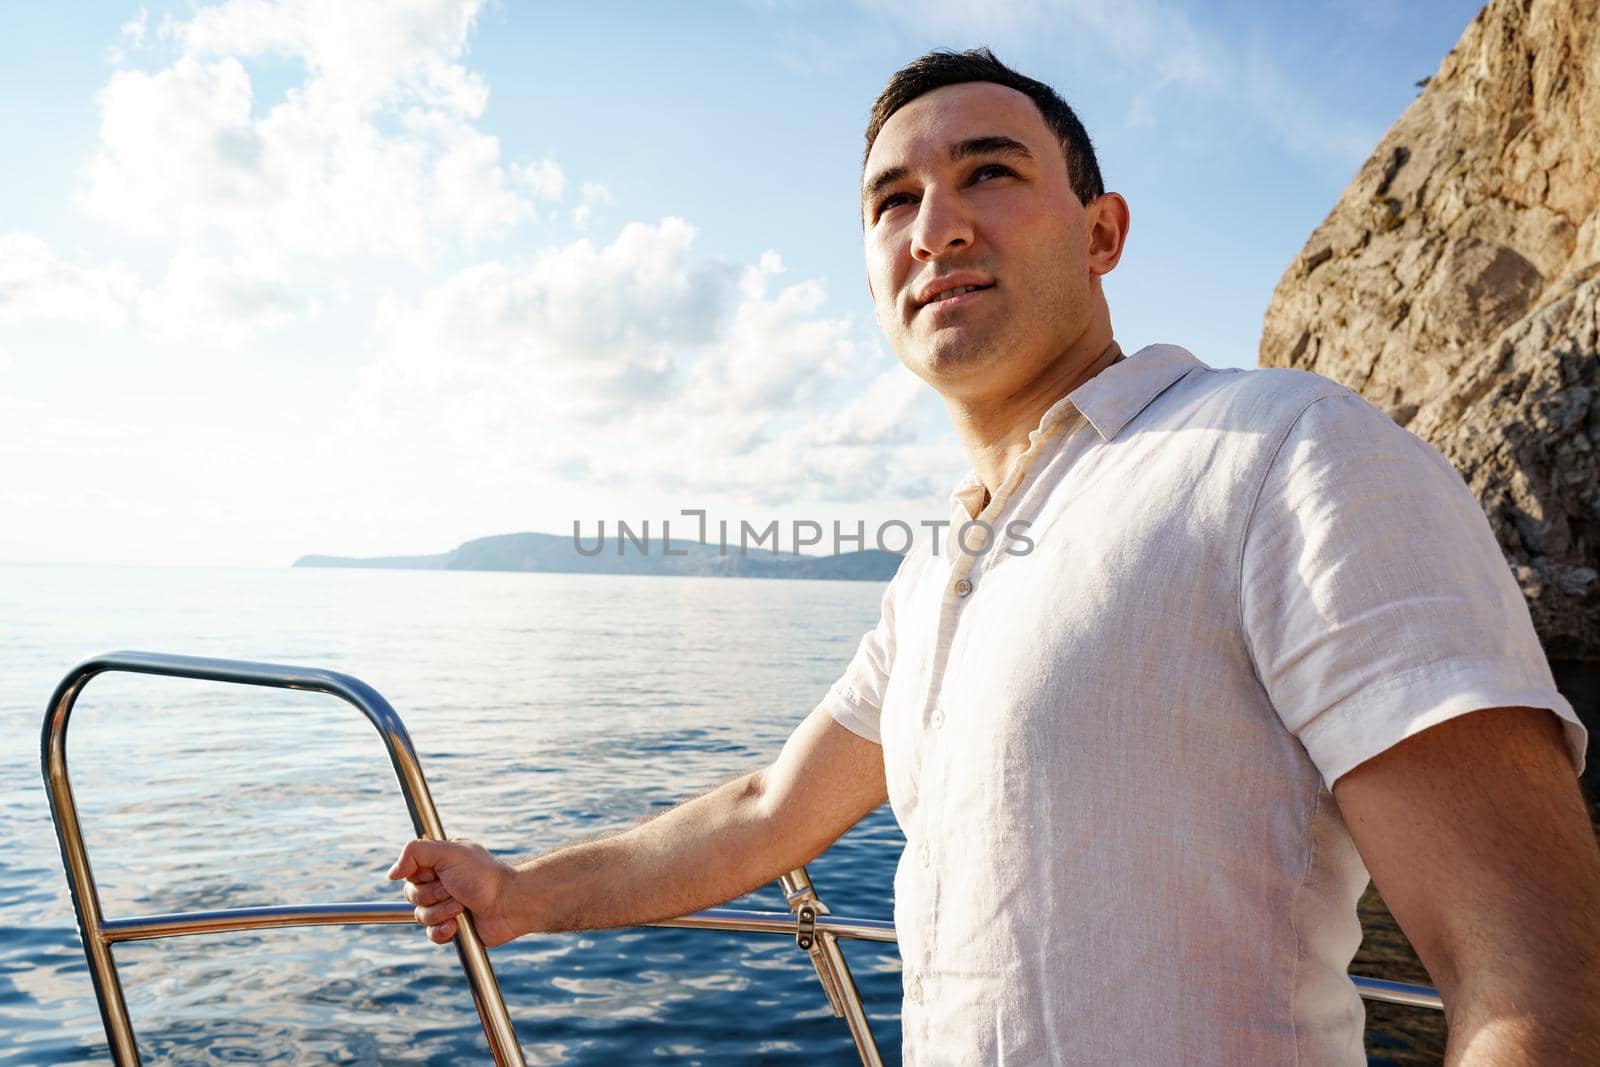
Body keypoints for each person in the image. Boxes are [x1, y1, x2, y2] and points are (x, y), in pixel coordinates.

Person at [390, 48, 1600, 1063]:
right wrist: (525, 892)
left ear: (1101, 231)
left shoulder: (1288, 451)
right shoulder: (941, 567)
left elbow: (1535, 986)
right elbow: (765, 809)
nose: (936, 225)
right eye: (889, 201)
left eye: (989, 172)